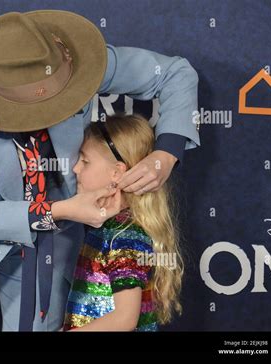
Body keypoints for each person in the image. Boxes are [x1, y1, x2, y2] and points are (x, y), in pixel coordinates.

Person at [0, 9, 200, 331]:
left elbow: (175, 73)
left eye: (63, 102)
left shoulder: (79, 65)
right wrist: (61, 209)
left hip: (49, 242)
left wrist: (166, 152)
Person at [63, 113, 183, 331]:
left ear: (117, 172)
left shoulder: (124, 235)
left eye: (85, 161)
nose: (75, 169)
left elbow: (124, 319)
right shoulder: (110, 227)